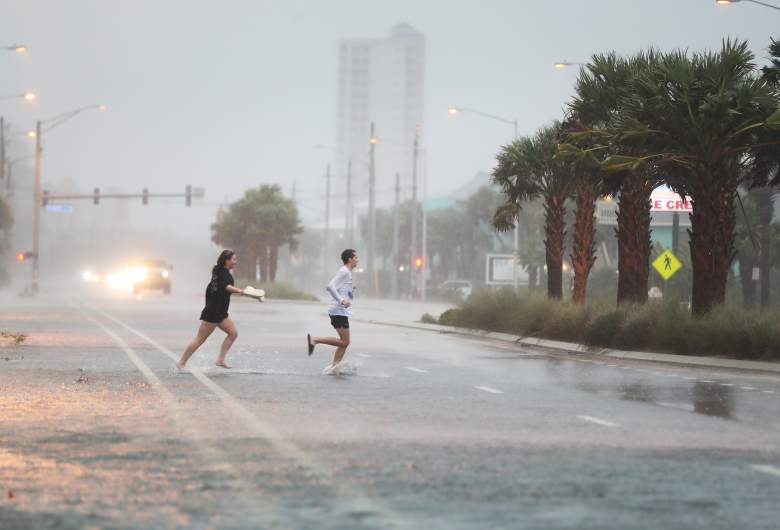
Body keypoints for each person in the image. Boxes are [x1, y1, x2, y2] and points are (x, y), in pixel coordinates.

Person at [177, 250, 246, 370]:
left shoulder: (218, 271)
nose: (236, 262)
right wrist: (240, 290)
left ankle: (220, 360)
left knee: (233, 333)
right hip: (213, 312)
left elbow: (222, 289)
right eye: (233, 259)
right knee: (200, 339)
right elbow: (227, 287)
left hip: (221, 313)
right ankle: (181, 363)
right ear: (226, 260)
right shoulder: (223, 273)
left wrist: (238, 291)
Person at [307, 249, 358, 374]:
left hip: (340, 311)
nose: (358, 260)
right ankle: (315, 340)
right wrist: (341, 300)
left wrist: (349, 294)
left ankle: (334, 367)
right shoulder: (344, 272)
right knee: (345, 341)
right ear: (350, 259)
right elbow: (330, 286)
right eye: (356, 257)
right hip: (338, 311)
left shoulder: (347, 273)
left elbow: (340, 289)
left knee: (344, 343)